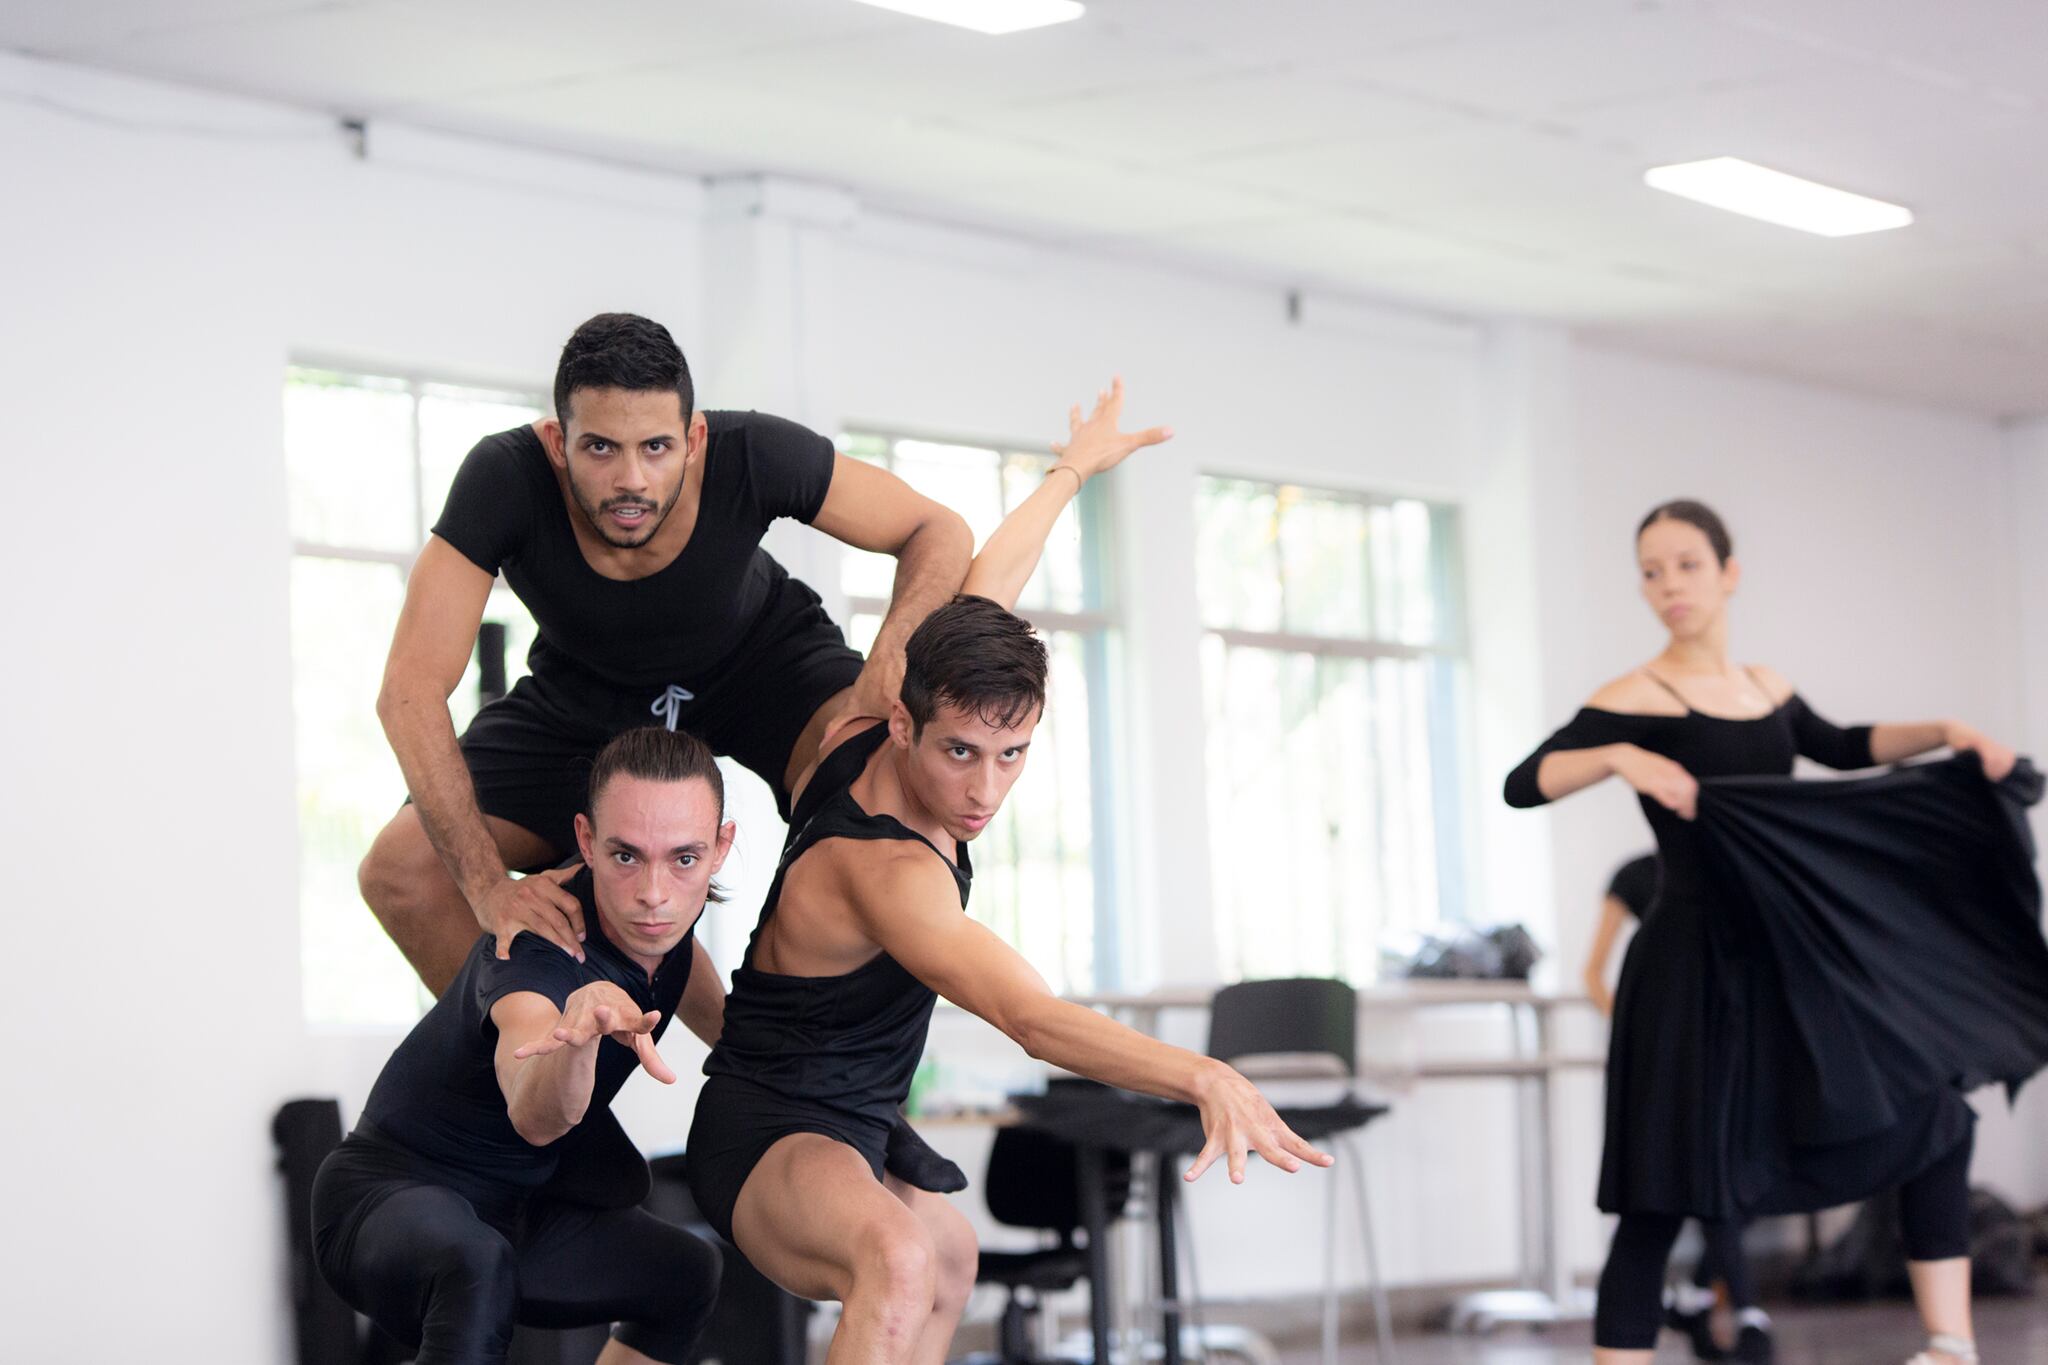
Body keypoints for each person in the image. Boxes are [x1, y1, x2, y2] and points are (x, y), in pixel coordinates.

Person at [687, 381, 1335, 1364]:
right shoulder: (883, 870)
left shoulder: (931, 690)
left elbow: (991, 577)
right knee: (900, 1258)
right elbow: (1032, 1021)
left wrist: (1070, 471)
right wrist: (1199, 1074)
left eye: (1012, 754)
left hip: (863, 1125)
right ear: (901, 723)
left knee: (946, 1256)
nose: (983, 789)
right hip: (771, 1133)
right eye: (958, 755)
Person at [1505, 498, 2036, 1365]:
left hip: (1784, 962)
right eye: (1650, 570)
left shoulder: (1766, 687)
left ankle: (1950, 1345)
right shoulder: (1635, 693)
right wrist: (1619, 755)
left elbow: (1843, 744)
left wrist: (1943, 732)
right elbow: (1524, 782)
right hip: (1684, 970)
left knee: (1938, 1115)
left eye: (1686, 564)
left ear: (1728, 573)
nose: (1668, 585)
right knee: (1658, 1194)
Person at [359, 311, 972, 996]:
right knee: (401, 871)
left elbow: (937, 528)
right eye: (599, 448)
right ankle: (538, 1070)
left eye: (656, 447)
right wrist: (488, 888)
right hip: (586, 695)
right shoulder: (505, 478)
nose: (631, 480)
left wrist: (890, 657)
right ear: (557, 441)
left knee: (872, 791)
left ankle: (786, 1064)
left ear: (694, 438)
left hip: (761, 664)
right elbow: (408, 689)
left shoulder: (751, 452)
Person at [313, 725, 737, 1365]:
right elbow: (534, 1116)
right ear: (587, 843)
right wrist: (577, 1033)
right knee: (475, 1267)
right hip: (384, 1200)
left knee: (684, 1273)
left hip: (518, 1213)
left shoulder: (666, 916)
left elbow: (739, 1026)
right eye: (626, 856)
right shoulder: (539, 945)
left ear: (719, 849)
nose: (654, 893)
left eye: (683, 858)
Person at [1586, 853, 1768, 1362]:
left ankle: (1704, 1297)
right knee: (1657, 1201)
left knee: (1732, 1182)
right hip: (1669, 1048)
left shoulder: (1741, 857)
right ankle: (1739, 1311)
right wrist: (1638, 1032)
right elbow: (1593, 972)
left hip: (1731, 1041)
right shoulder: (1636, 877)